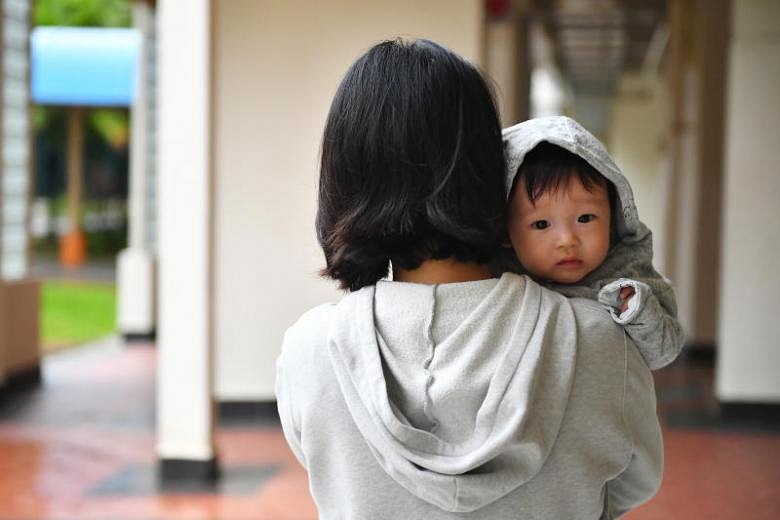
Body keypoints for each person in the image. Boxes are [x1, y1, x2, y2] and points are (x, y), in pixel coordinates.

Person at [276, 38, 663, 519]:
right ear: (491, 168)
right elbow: (634, 482)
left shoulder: (310, 349)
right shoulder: (602, 341)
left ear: (343, 182)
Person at [503, 117, 685, 370]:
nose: (567, 240)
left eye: (585, 218)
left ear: (614, 218)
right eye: (542, 224)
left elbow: (665, 352)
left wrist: (638, 311)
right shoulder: (495, 284)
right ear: (505, 233)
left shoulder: (631, 278)